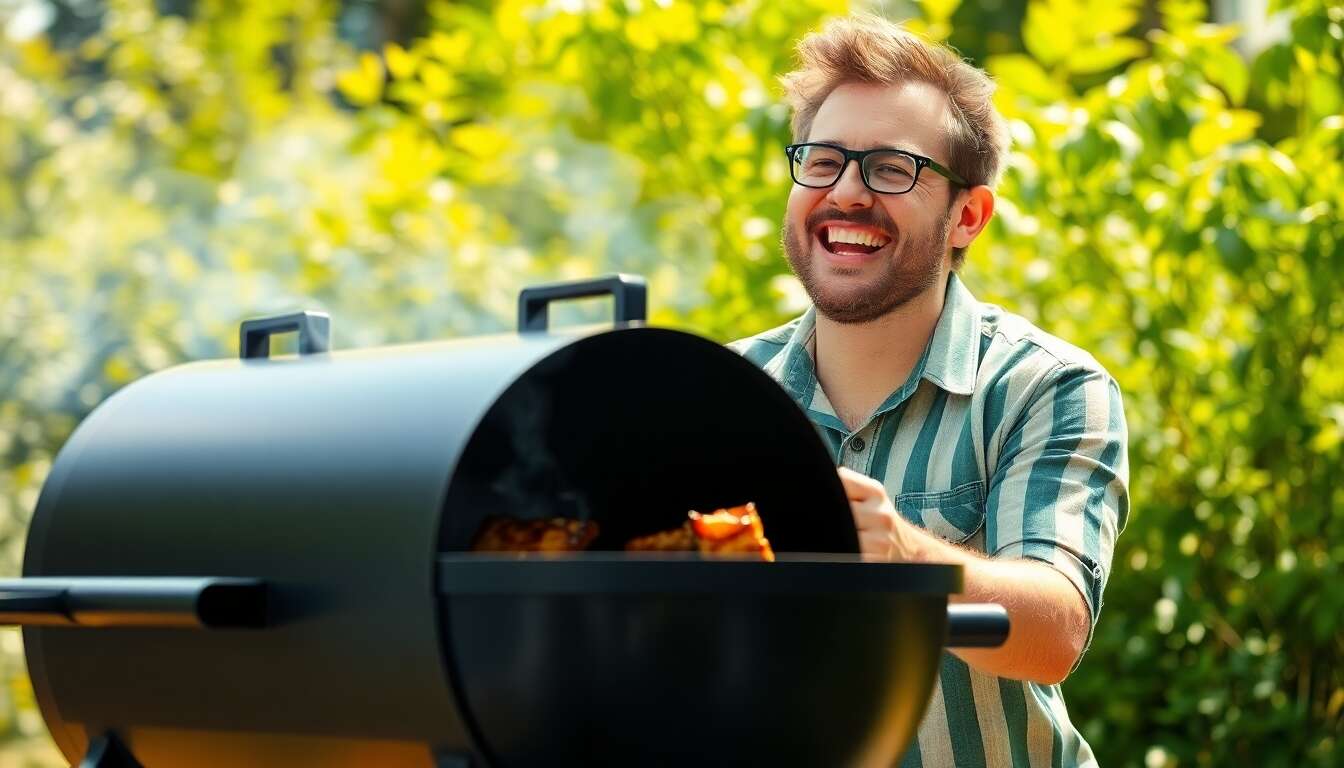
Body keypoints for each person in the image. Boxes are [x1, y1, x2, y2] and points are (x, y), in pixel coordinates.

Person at [729, 14, 1129, 768]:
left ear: (967, 217)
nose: (847, 192)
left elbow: (1055, 633)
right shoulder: (724, 392)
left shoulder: (1046, 386)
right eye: (823, 161)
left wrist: (902, 553)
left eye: (891, 168)